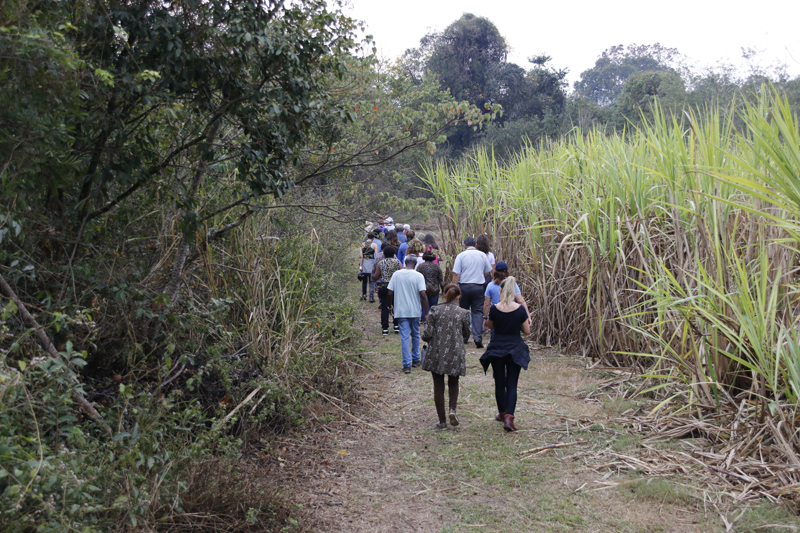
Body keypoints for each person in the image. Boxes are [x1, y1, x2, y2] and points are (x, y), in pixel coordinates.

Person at [480, 277, 531, 432]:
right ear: (514, 292)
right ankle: (509, 417)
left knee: (500, 382)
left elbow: (489, 325)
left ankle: (502, 413)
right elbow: (526, 331)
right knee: (512, 383)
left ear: (500, 291)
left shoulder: (495, 308)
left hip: (497, 348)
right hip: (515, 348)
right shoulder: (520, 309)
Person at [421, 284, 470, 429]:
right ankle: (452, 410)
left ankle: (442, 420)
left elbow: (427, 334)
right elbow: (467, 333)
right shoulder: (463, 313)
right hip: (455, 352)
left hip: (437, 352)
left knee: (438, 385)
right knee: (454, 382)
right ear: (458, 297)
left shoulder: (435, 310)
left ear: (443, 295)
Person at [388, 255, 429, 373]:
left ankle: (407, 364)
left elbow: (390, 292)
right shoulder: (418, 276)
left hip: (401, 311)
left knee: (404, 337)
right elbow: (423, 294)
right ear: (415, 263)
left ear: (405, 262)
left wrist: (390, 306)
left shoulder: (397, 274)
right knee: (416, 334)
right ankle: (416, 359)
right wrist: (426, 312)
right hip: (415, 311)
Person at [451, 237, 492, 348]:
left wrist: (454, 288)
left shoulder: (461, 256)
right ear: (475, 244)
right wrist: (481, 279)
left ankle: (464, 336)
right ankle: (477, 337)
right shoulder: (482, 255)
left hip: (464, 286)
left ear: (465, 245)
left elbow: (456, 274)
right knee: (477, 312)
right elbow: (488, 272)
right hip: (478, 287)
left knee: (464, 311)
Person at [483, 262, 531, 335]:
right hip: (511, 315)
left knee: (496, 335)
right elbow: (521, 301)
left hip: (497, 316)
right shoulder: (513, 285)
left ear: (495, 272)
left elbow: (486, 304)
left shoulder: (490, 285)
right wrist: (528, 316)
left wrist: (485, 318)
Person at [374, 246, 402, 336]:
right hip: (395, 286)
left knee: (385, 306)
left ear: (384, 254)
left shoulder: (380, 263)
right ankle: (396, 325)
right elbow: (402, 273)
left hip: (384, 286)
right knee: (396, 305)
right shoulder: (398, 262)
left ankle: (385, 328)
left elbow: (376, 276)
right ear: (394, 254)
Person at [416, 250, 443, 321]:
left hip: (423, 289)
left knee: (424, 306)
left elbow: (417, 278)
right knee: (433, 307)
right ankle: (432, 320)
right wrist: (444, 291)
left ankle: (425, 320)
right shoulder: (437, 266)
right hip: (435, 289)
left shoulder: (420, 266)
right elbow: (441, 280)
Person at [358, 231, 380, 302]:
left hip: (364, 263)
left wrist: (360, 266)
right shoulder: (374, 245)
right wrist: (376, 265)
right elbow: (376, 256)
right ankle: (371, 297)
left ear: (367, 237)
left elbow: (361, 256)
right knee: (371, 281)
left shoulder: (362, 244)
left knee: (364, 281)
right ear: (373, 238)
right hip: (371, 263)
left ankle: (364, 296)